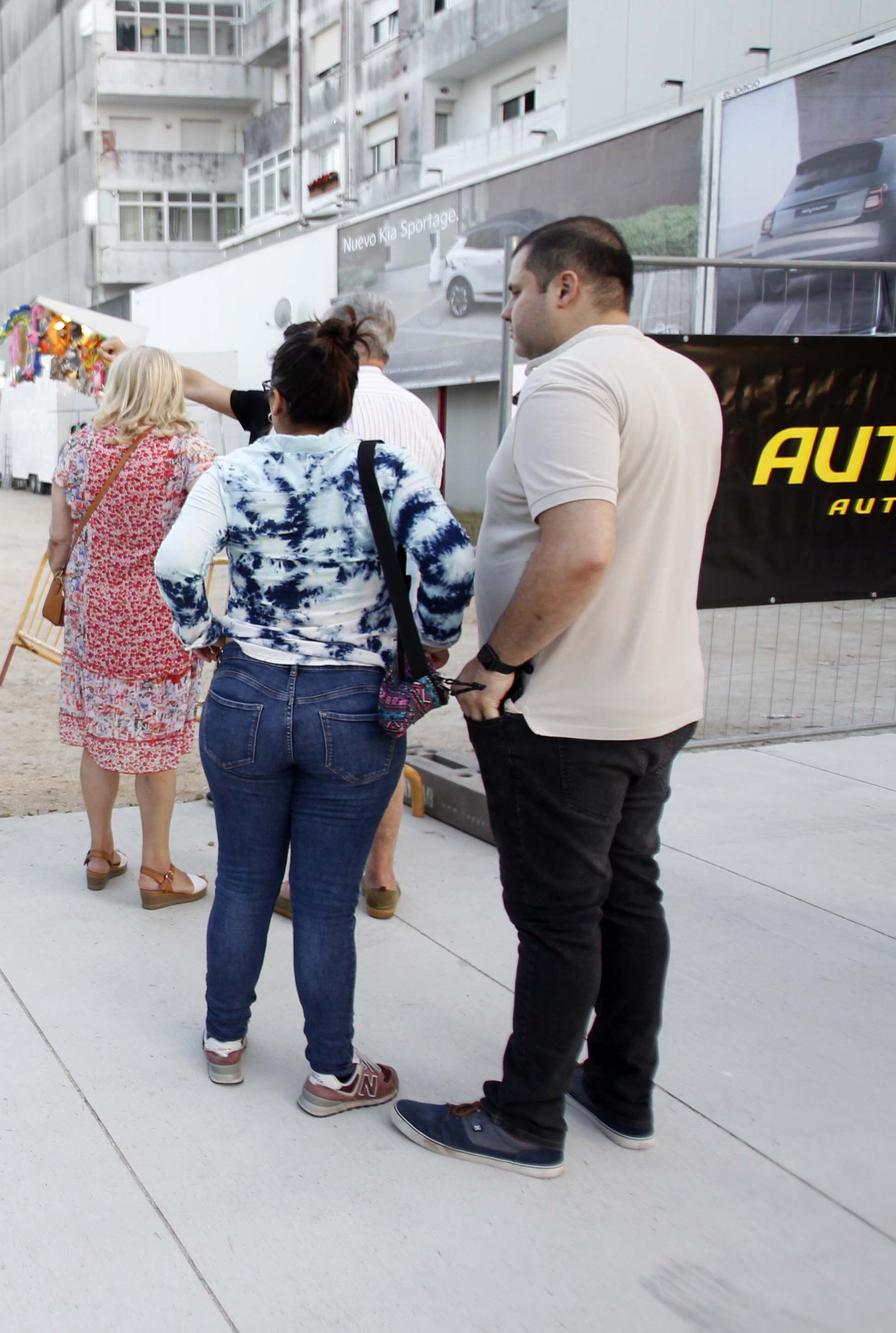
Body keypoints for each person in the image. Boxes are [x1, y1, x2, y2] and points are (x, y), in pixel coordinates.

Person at [393, 218, 723, 1177]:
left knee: (558, 912)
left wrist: (498, 662)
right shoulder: (683, 379)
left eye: (517, 291)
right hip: (656, 693)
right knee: (626, 894)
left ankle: (527, 1114)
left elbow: (580, 549)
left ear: (567, 287)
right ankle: (620, 1087)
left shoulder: (574, 383)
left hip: (569, 710)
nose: (506, 310)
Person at [155, 314, 474, 1118]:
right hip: (354, 706)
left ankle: (224, 1041)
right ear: (348, 395)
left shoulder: (232, 471)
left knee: (242, 880)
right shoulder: (387, 468)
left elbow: (176, 562)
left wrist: (203, 636)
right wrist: (433, 643)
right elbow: (451, 559)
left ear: (277, 397)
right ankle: (331, 1073)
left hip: (247, 693)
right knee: (327, 899)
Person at [47, 347, 215, 908]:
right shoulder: (191, 454)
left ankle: (99, 853)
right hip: (160, 623)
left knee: (100, 739)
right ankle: (157, 870)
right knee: (157, 749)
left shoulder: (78, 447)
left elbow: (57, 543)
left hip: (96, 620)